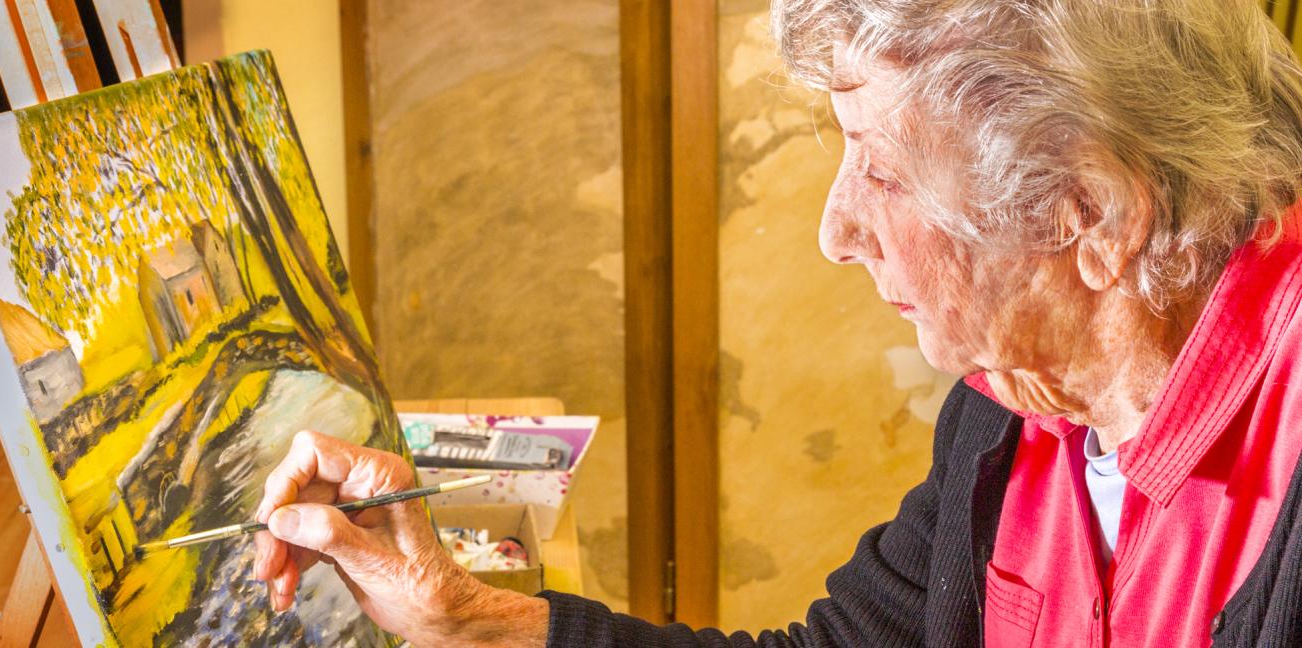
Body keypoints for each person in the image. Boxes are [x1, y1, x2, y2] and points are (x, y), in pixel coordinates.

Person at [253, 0, 1302, 645]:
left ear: (1090, 213)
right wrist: (466, 617)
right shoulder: (1006, 413)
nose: (835, 233)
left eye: (881, 171)